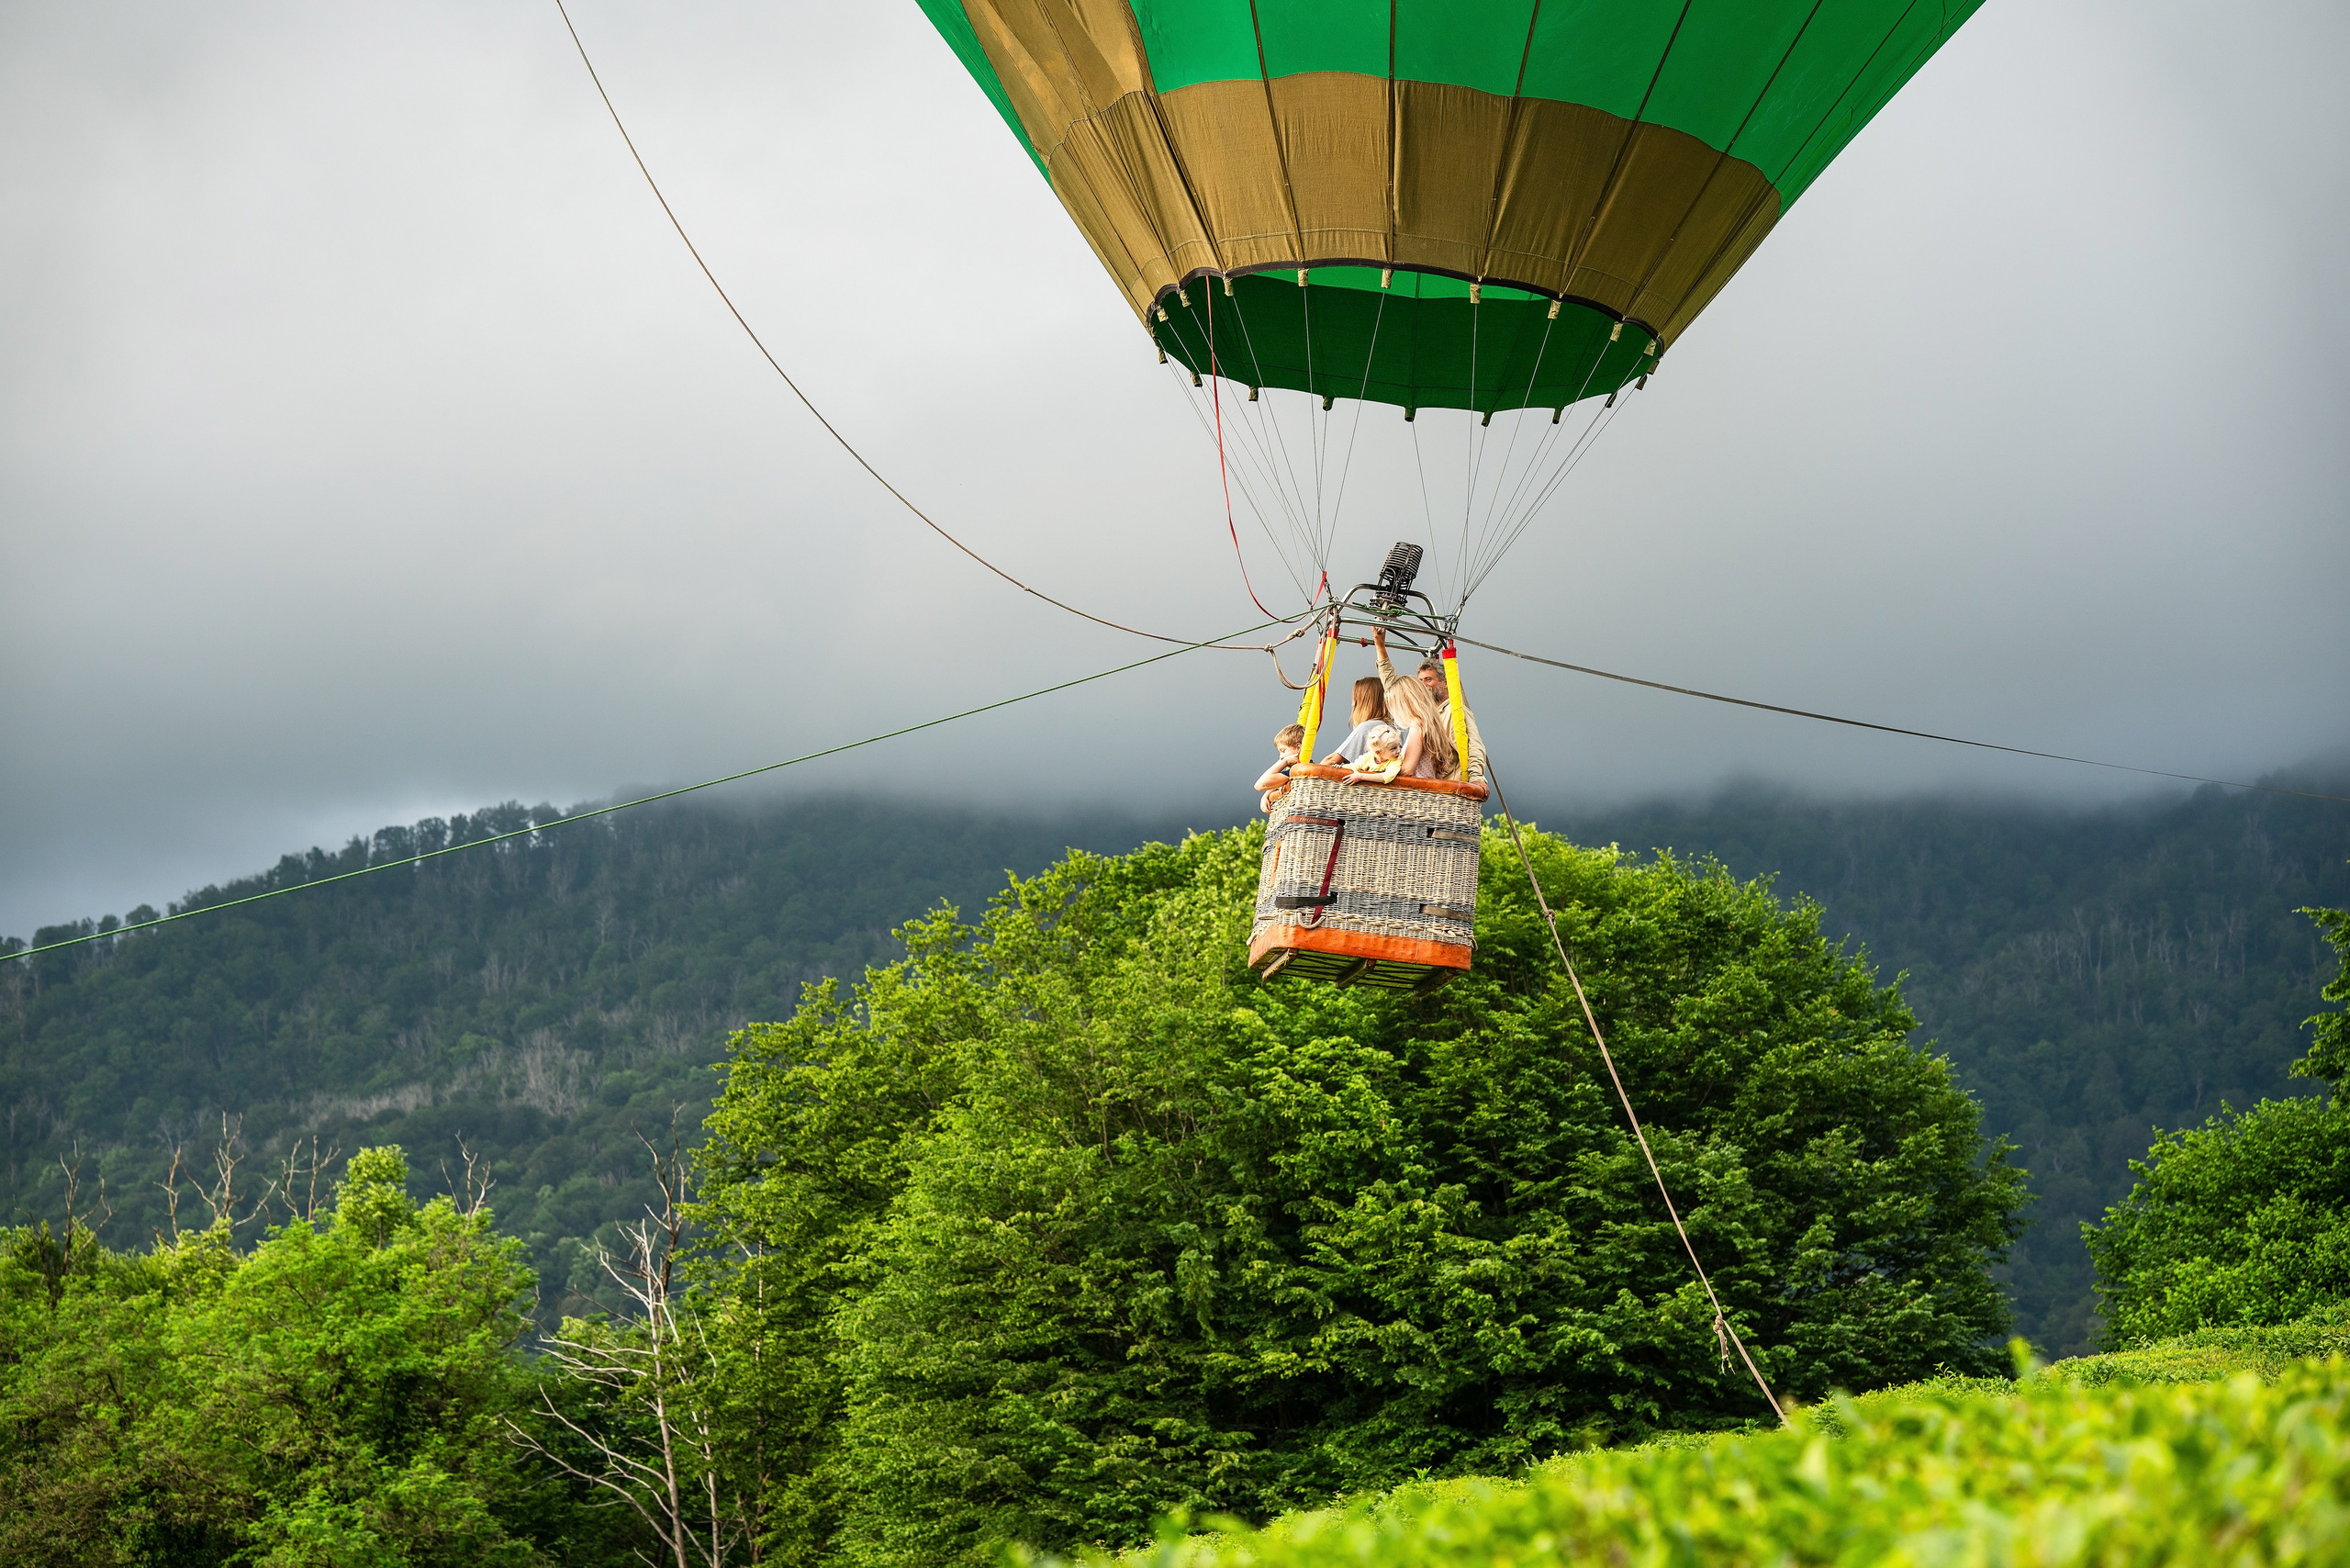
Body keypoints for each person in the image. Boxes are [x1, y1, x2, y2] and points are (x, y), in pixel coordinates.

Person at [1374, 628, 1487, 779]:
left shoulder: (1453, 712)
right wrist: (1380, 647)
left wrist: (1476, 778)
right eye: (1420, 681)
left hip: (1449, 786)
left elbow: (1473, 748)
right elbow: (1394, 690)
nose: (1424, 686)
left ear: (1445, 683)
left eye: (1428, 679)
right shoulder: (1424, 713)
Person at [1380, 665, 1457, 779]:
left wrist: (1380, 772)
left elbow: (1407, 770)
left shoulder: (1418, 725)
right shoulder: (1429, 722)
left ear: (1404, 702)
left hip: (1417, 788)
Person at [1318, 678, 1393, 767]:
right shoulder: (1393, 728)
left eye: (1354, 699)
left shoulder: (1367, 727)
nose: (1352, 704)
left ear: (1362, 702)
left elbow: (1331, 760)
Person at [1254, 722, 1305, 811]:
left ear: (1298, 747)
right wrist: (1265, 796)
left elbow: (1259, 785)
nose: (1281, 757)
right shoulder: (1292, 771)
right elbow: (1280, 781)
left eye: (1283, 750)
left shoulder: (1298, 770)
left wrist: (1285, 761)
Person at [1339, 724, 1404, 785]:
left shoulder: (1396, 760)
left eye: (1399, 746)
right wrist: (1340, 767)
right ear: (1378, 752)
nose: (1399, 751)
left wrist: (1361, 776)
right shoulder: (1367, 758)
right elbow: (1353, 766)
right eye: (1393, 748)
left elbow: (1388, 776)